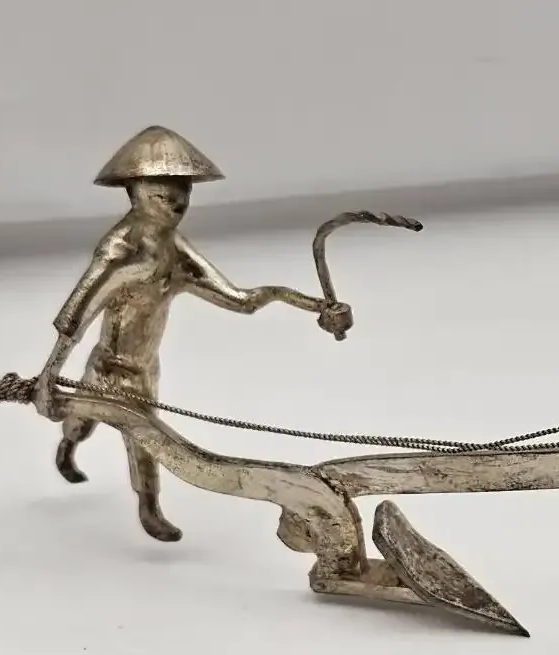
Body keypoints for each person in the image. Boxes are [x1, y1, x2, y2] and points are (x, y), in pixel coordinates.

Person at [31, 125, 353, 542]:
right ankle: (81, 457)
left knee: (143, 436)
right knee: (84, 423)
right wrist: (48, 377)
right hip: (109, 366)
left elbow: (242, 300)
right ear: (135, 192)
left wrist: (313, 305)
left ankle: (145, 503)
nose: (177, 204)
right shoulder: (120, 250)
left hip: (144, 367)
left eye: (183, 195)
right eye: (163, 196)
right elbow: (77, 314)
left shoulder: (175, 250)